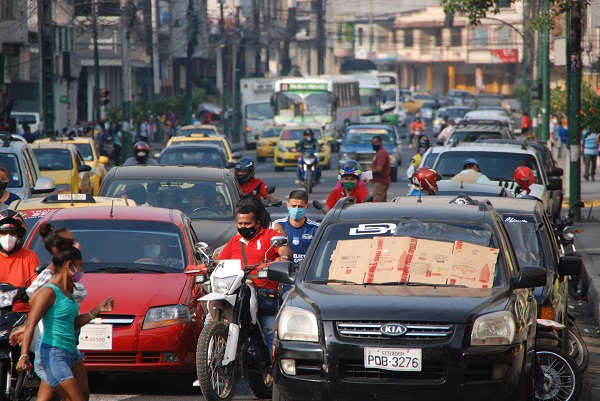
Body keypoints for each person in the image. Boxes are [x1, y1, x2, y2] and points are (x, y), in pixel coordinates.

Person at [16, 236, 114, 401]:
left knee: (74, 396)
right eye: (80, 265)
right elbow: (31, 324)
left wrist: (97, 310)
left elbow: (72, 323)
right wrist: (24, 355)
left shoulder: (68, 292)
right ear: (70, 265)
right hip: (52, 354)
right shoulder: (48, 292)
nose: (81, 271)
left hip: (71, 352)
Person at [11, 223, 89, 400]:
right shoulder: (50, 276)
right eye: (70, 241)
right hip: (53, 344)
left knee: (54, 395)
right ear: (56, 248)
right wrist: (26, 332)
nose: (76, 244)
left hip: (68, 341)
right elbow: (36, 301)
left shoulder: (67, 275)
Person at [217, 204, 292, 351]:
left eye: (247, 223)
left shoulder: (270, 236)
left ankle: (275, 370)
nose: (243, 227)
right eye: (240, 223)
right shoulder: (234, 241)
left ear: (257, 224)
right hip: (236, 292)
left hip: (264, 295)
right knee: (210, 320)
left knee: (270, 331)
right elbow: (221, 261)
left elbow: (285, 249)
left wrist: (282, 257)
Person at [0, 210, 39, 313]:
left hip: (23, 315)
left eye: (12, 233)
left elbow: (37, 287)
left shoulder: (29, 256)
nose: (8, 237)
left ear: (19, 236)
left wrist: (23, 293)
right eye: (3, 233)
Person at [273, 190, 319, 265]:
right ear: (287, 206)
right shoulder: (278, 225)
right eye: (293, 206)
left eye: (300, 206)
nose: (296, 209)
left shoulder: (316, 228)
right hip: (283, 269)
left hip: (306, 270)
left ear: (307, 207)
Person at [370, 135, 391, 202]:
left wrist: (369, 173)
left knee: (377, 202)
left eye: (376, 143)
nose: (374, 145)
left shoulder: (382, 153)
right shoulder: (378, 152)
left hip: (380, 181)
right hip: (379, 181)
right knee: (382, 203)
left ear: (380, 143)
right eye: (373, 143)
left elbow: (379, 168)